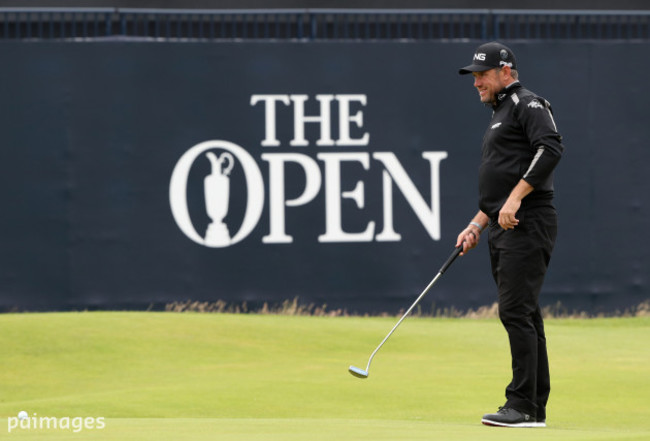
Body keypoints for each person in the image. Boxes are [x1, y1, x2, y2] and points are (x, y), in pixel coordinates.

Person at [455, 42, 564, 428]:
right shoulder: (500, 111)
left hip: (527, 221)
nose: (476, 82)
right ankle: (533, 407)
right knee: (526, 312)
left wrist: (515, 200)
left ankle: (519, 405)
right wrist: (476, 224)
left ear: (506, 71)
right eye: (474, 76)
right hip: (503, 223)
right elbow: (500, 183)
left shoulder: (527, 104)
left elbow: (550, 149)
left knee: (515, 310)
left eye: (482, 75)